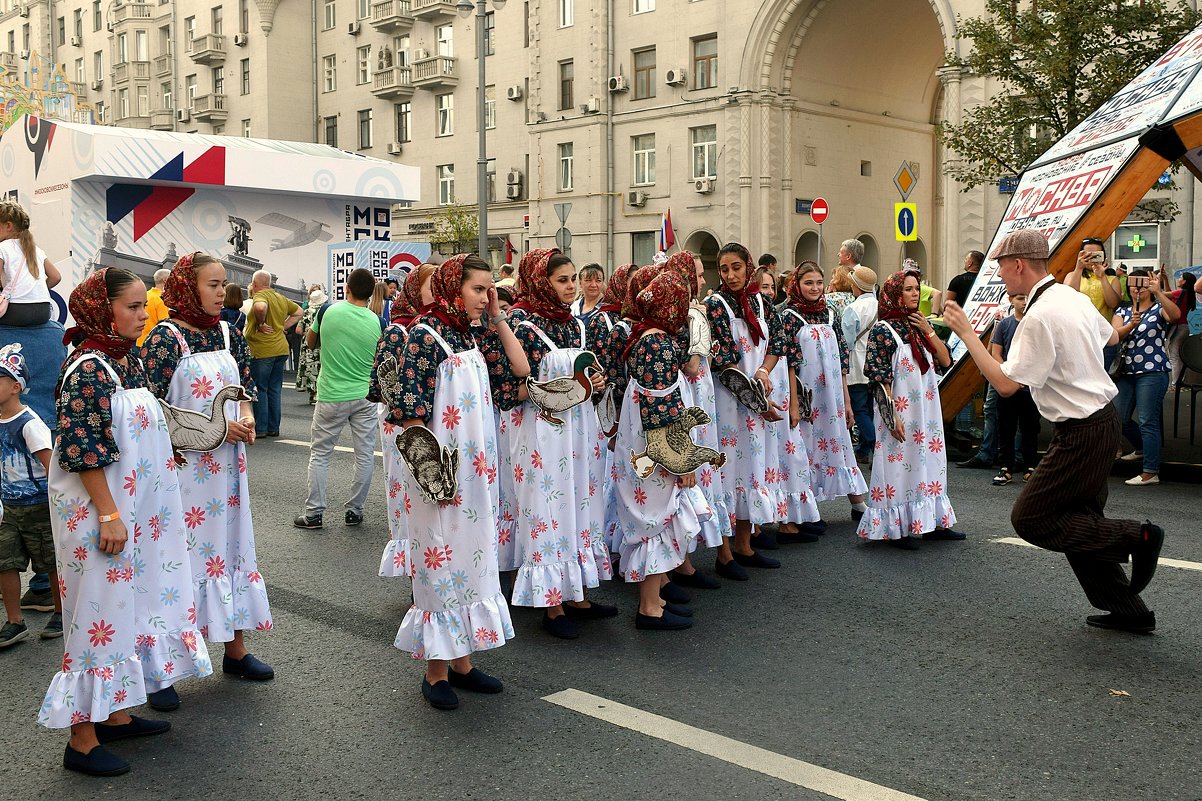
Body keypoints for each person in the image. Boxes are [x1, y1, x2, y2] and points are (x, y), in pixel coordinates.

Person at [943, 229, 1164, 634]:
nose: (1000, 277)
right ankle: (1130, 611)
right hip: (1101, 421)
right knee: (1079, 522)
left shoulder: (1039, 316)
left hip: (1081, 431)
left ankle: (1140, 537)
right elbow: (1112, 335)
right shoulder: (1071, 296)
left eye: (1001, 270)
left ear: (1018, 265)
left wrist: (968, 334)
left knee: (1032, 518)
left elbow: (1007, 385)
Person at [41, 268, 211, 776]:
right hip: (100, 516)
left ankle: (114, 714)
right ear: (102, 308)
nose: (143, 315)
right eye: (133, 307)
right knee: (96, 616)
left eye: (145, 306)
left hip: (134, 511)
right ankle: (81, 738)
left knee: (126, 610)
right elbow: (81, 450)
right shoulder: (86, 369)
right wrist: (109, 514)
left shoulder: (124, 361)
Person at [391, 255, 529, 710]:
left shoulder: (473, 333)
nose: (486, 296)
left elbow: (520, 372)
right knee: (441, 563)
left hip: (476, 471)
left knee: (472, 559)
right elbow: (409, 412)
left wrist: (498, 318)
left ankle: (464, 663)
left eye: (491, 288)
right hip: (441, 473)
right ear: (454, 288)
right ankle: (435, 672)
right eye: (478, 290)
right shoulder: (424, 337)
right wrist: (432, 475)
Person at [140, 252, 274, 711]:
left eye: (223, 285)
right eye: (213, 284)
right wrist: (215, 429)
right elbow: (152, 410)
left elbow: (245, 387)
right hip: (185, 473)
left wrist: (249, 416)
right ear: (186, 286)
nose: (222, 292)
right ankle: (164, 672)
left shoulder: (226, 331)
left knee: (232, 551)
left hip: (227, 473)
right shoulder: (164, 339)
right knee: (179, 562)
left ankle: (235, 650)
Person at [501, 250, 615, 639]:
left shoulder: (577, 325)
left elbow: (589, 371)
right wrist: (547, 390)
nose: (570, 287)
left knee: (581, 506)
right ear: (539, 281)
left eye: (572, 279)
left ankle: (577, 594)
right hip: (542, 436)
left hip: (580, 433)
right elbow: (509, 387)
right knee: (549, 509)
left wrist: (595, 382)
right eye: (562, 280)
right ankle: (551, 603)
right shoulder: (522, 324)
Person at [611, 269, 709, 630]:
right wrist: (680, 463)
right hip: (655, 449)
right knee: (655, 517)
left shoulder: (647, 335)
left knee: (656, 516)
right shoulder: (656, 343)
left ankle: (657, 599)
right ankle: (649, 607)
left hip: (644, 445)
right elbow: (660, 412)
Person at [857, 269, 960, 550]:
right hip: (900, 410)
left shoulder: (919, 325)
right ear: (894, 294)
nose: (915, 294)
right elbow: (879, 377)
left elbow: (945, 359)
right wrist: (892, 415)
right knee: (898, 464)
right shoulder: (883, 330)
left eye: (917, 288)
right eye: (908, 289)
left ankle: (932, 522)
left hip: (926, 409)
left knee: (929, 461)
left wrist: (928, 330)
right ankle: (896, 528)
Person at [705, 242, 789, 578]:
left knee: (752, 469)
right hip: (729, 402)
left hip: (757, 399)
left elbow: (778, 341)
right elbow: (725, 364)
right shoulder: (716, 306)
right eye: (724, 269)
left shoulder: (761, 301)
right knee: (729, 472)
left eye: (736, 267)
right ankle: (724, 555)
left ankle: (744, 545)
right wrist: (758, 400)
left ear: (748, 266)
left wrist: (764, 371)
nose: (731, 275)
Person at [294, 268, 382, 529]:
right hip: (365, 396)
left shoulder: (327, 311)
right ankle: (355, 510)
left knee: (320, 453)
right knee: (365, 454)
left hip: (332, 394)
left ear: (348, 288)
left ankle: (314, 514)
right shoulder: (377, 321)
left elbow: (310, 343)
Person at [781, 262, 869, 521]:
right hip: (805, 394)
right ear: (797, 284)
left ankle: (857, 501)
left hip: (831, 395)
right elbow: (788, 362)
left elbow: (842, 359)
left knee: (840, 440)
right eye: (808, 283)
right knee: (805, 447)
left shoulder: (830, 314)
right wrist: (793, 402)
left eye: (819, 283)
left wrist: (847, 400)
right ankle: (807, 507)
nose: (815, 288)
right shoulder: (788, 317)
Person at [367, 264, 434, 580]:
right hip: (401, 426)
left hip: (431, 423)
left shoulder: (439, 329)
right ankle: (414, 571)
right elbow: (382, 385)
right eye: (430, 284)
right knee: (408, 493)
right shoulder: (400, 331)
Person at [0, 344, 60, 646]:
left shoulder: (30, 424)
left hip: (38, 505)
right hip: (9, 507)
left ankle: (62, 612)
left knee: (50, 564)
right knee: (4, 562)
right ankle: (15, 621)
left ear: (15, 386)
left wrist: (58, 505)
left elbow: (52, 467)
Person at [1111, 268, 1179, 486]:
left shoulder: (1159, 308)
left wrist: (1159, 292)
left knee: (1148, 420)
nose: (1136, 289)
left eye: (1141, 285)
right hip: (1126, 372)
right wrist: (1131, 324)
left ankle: (1150, 471)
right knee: (1118, 418)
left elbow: (1175, 316)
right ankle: (1141, 448)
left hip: (1153, 371)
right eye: (1132, 285)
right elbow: (1113, 337)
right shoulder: (1122, 312)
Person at [989, 293, 1040, 486]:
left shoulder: (1036, 324)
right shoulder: (1004, 324)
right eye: (1019, 298)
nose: (1024, 301)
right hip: (1008, 385)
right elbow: (996, 353)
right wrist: (1010, 375)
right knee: (1006, 427)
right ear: (1011, 300)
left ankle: (1030, 467)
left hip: (1030, 385)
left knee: (1031, 427)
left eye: (1027, 297)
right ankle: (1006, 468)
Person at [244, 270, 302, 438]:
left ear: (254, 284)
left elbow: (260, 307)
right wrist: (283, 326)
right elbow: (299, 312)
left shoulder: (260, 296)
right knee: (275, 389)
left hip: (263, 349)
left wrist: (261, 322)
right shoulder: (280, 297)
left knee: (261, 388)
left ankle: (261, 428)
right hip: (280, 348)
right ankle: (273, 427)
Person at [0, 199, 62, 327]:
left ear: (8, 226)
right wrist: (35, 291)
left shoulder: (3, 247)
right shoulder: (35, 249)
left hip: (16, 310)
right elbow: (56, 277)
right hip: (43, 310)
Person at [842, 265, 879, 465]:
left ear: (856, 286)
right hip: (876, 364)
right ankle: (864, 449)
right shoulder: (880, 305)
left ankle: (875, 447)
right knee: (872, 408)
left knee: (860, 409)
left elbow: (847, 341)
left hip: (857, 364)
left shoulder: (853, 308)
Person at [1065, 237, 1124, 320]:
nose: (1092, 259)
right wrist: (1079, 268)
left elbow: (1113, 304)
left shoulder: (1112, 279)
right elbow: (1067, 299)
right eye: (1088, 255)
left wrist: (1102, 277)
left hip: (1102, 328)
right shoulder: (1071, 275)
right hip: (1078, 324)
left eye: (1096, 255)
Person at [294, 287, 327, 404]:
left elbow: (298, 330)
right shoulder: (324, 311)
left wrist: (307, 333)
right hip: (321, 342)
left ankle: (311, 393)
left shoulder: (306, 312)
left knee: (309, 367)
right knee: (320, 367)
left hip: (307, 343)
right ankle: (319, 393)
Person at [1167, 271, 1197, 386]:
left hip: (1178, 327)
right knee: (1178, 355)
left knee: (1174, 356)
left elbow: (1162, 294)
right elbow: (1170, 294)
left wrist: (1157, 282)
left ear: (1184, 281)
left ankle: (1176, 383)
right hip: (1184, 327)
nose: (1179, 279)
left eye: (1180, 277)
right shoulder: (1187, 293)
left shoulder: (1180, 292)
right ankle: (1179, 380)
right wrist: (1164, 279)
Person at [135, 269, 171, 347]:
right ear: (165, 280)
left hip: (137, 341)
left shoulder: (145, 295)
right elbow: (166, 325)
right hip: (151, 344)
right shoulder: (163, 300)